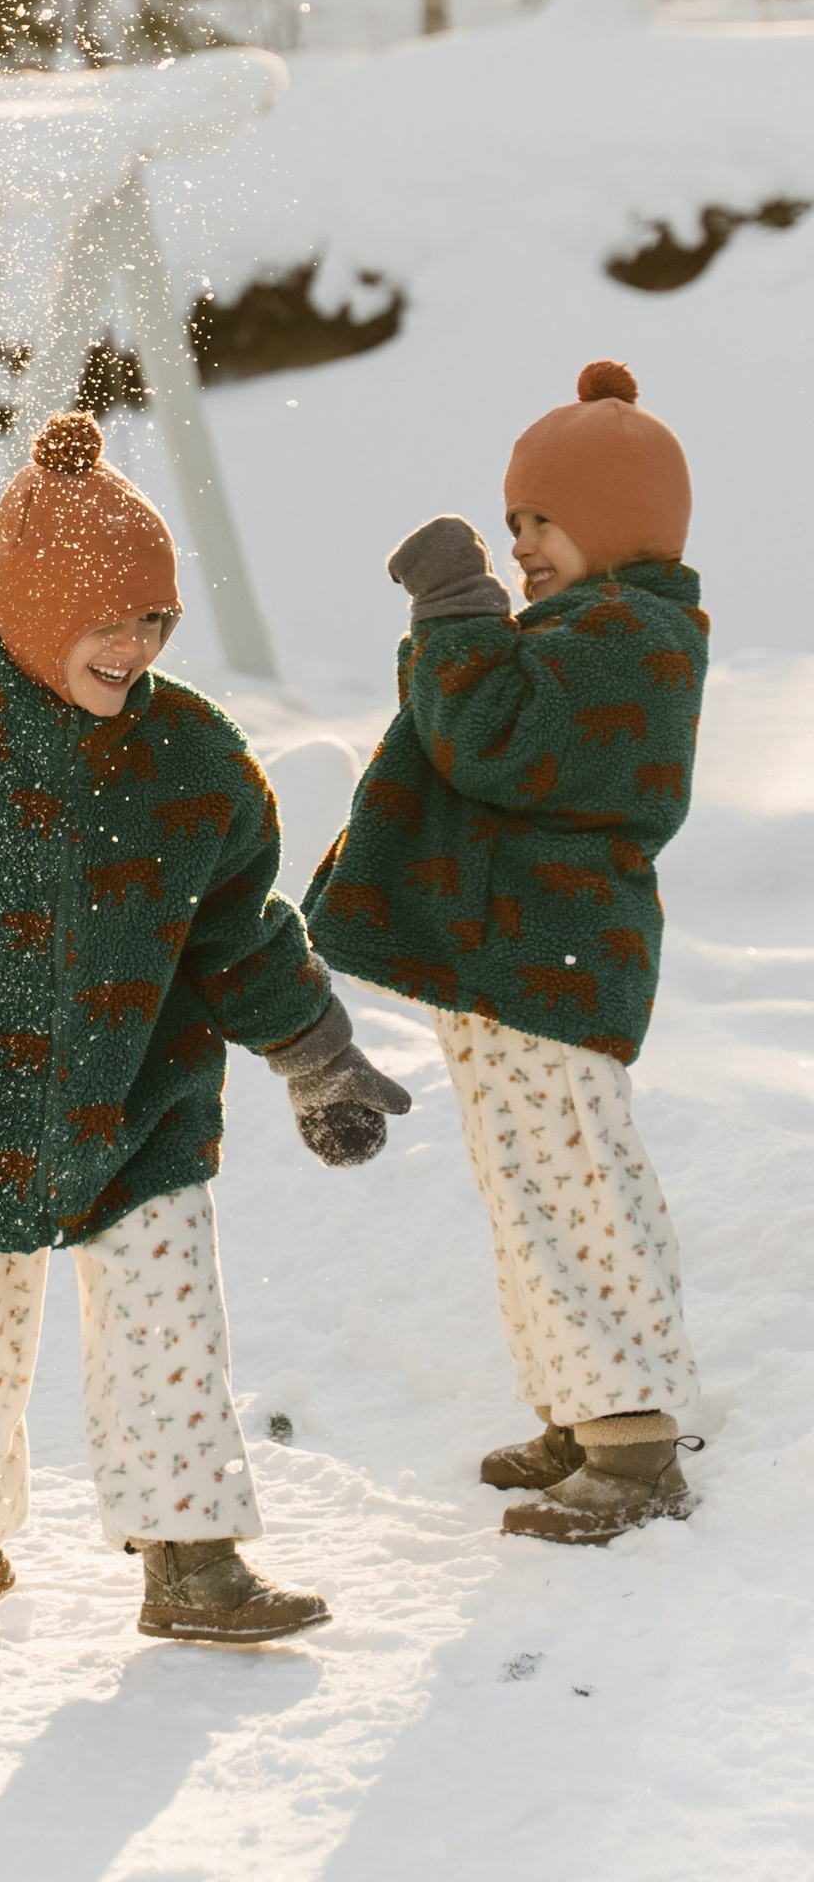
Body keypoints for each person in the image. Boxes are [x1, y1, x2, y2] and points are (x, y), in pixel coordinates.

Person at [0, 411, 407, 1643]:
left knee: (167, 1321)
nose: (135, 645)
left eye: (157, 620)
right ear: (29, 605)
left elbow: (241, 927)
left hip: (141, 1099)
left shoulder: (192, 758)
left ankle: (192, 1558)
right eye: (107, 615)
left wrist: (313, 1054)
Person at [300, 359, 707, 1546]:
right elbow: (462, 716)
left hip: (549, 963)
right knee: (526, 1188)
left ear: (618, 522)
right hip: (506, 960)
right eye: (515, 519)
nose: (522, 542)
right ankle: (584, 1413)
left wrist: (456, 609)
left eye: (544, 520)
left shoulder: (635, 638)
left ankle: (631, 1440)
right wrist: (469, 621)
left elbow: (491, 741)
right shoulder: (585, 628)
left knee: (575, 1183)